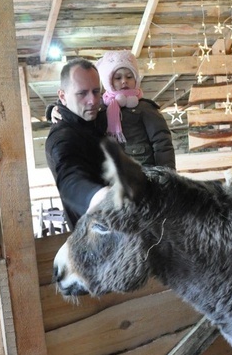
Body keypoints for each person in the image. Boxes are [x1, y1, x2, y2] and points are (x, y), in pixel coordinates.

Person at [45, 58, 110, 227]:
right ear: (62, 96)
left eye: (96, 91)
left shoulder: (97, 123)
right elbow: (69, 176)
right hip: (97, 239)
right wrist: (97, 196)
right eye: (82, 93)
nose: (93, 100)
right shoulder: (62, 137)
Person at [95, 50, 175, 169]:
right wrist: (56, 108)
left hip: (144, 172)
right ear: (108, 82)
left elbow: (162, 142)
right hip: (113, 175)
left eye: (129, 76)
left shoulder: (145, 107)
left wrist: (167, 175)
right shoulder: (100, 109)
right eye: (118, 78)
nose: (124, 81)